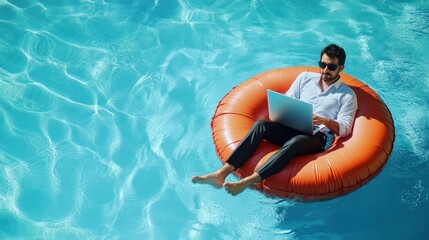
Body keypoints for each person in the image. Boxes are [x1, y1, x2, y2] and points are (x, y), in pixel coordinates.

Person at [192, 44, 358, 196]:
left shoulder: (346, 95)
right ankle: (221, 173)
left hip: (316, 137)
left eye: (331, 67)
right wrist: (287, 110)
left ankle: (247, 181)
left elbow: (345, 128)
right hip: (293, 125)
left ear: (341, 68)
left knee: (296, 142)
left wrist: (324, 120)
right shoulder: (305, 78)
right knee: (261, 125)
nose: (325, 70)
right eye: (323, 65)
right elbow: (288, 99)